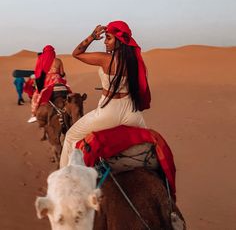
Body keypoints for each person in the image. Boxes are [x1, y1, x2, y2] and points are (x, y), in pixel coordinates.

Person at [60, 20, 151, 168]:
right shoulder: (136, 61)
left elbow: (76, 53)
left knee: (70, 137)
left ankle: (66, 183)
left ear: (119, 41)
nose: (105, 42)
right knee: (150, 144)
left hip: (109, 112)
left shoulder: (106, 59)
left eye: (108, 38)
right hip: (132, 113)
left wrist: (92, 36)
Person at [27, 45, 69, 123]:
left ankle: (34, 114)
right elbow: (62, 73)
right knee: (68, 91)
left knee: (36, 95)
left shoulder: (42, 60)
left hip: (48, 81)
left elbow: (38, 73)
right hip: (58, 80)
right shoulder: (58, 60)